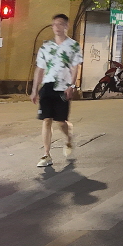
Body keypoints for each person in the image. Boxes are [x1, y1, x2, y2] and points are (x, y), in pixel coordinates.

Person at [30, 14, 83, 167]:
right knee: (46, 120)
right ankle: (46, 154)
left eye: (60, 24)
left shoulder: (73, 46)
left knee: (61, 122)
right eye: (54, 24)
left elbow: (75, 68)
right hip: (47, 86)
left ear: (66, 26)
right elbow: (39, 69)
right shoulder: (46, 47)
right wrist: (34, 89)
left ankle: (68, 137)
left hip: (63, 88)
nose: (57, 27)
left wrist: (72, 85)